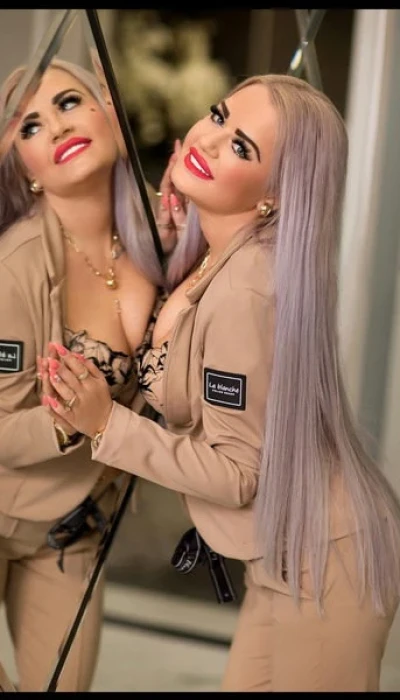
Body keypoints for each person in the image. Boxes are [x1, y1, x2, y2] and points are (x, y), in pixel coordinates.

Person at [42, 73, 400, 692]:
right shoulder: (219, 253)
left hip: (327, 560)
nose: (207, 140)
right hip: (289, 552)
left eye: (241, 147)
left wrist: (107, 424)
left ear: (274, 196)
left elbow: (237, 475)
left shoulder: (247, 289)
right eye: (218, 116)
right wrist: (176, 241)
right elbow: (183, 352)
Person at [0, 57, 168, 692]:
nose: (57, 126)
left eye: (69, 102)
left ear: (112, 118)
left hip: (70, 526)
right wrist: (71, 420)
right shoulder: (14, 268)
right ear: (25, 168)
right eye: (30, 126)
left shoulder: (160, 237)